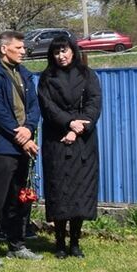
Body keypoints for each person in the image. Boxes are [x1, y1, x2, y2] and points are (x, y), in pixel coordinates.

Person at [0, 32, 43, 264]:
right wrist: (23, 136)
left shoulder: (24, 74)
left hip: (22, 147)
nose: (24, 51)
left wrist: (30, 126)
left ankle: (17, 244)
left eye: (24, 47)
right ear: (5, 49)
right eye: (19, 47)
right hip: (2, 148)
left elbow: (35, 106)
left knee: (20, 199)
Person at [38, 33, 103, 259]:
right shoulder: (46, 77)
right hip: (56, 140)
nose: (61, 56)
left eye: (64, 51)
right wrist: (68, 123)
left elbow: (94, 104)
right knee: (59, 191)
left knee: (81, 191)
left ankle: (75, 241)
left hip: (83, 141)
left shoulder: (87, 74)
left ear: (73, 51)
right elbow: (47, 108)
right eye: (56, 52)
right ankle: (59, 243)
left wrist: (79, 128)